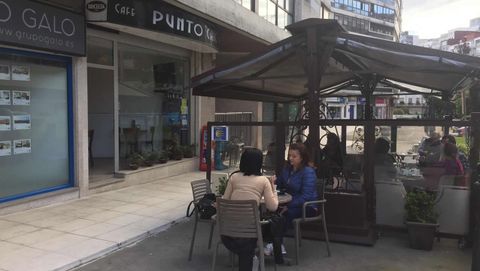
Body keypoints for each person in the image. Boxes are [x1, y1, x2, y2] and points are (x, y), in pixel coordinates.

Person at [221, 148, 278, 271]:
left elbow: (225, 201)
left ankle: (250, 257)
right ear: (259, 163)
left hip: (227, 233)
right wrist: (273, 189)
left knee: (244, 246)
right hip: (251, 234)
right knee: (269, 225)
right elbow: (272, 207)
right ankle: (252, 257)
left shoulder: (234, 177)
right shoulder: (263, 181)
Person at [272, 143, 318, 258]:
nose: (290, 158)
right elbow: (280, 184)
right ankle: (274, 243)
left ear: (302, 157)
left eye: (294, 156)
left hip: (307, 206)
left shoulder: (308, 172)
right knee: (271, 211)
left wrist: (290, 205)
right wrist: (272, 182)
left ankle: (275, 244)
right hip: (289, 203)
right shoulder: (287, 169)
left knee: (284, 214)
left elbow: (306, 196)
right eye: (289, 155)